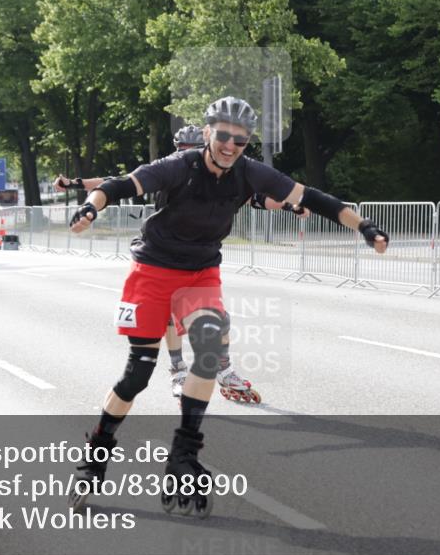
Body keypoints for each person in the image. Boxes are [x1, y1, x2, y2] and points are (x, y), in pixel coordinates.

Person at [66, 96, 388, 517]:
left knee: (210, 349)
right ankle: (97, 452)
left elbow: (316, 198)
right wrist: (89, 208)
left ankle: (183, 454)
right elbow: (117, 186)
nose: (230, 146)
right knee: (136, 376)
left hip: (200, 273)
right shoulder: (178, 167)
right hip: (153, 271)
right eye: (223, 136)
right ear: (207, 133)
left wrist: (364, 226)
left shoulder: (251, 173)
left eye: (240, 140)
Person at [53, 124, 308, 405]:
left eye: (192, 149)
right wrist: (75, 185)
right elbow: (114, 182)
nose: (189, 155)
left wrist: (288, 204)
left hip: (198, 259)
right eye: (183, 150)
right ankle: (178, 371)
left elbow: (257, 197)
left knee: (219, 319)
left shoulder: (222, 173)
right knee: (169, 321)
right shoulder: (173, 169)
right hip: (162, 255)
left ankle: (223, 369)